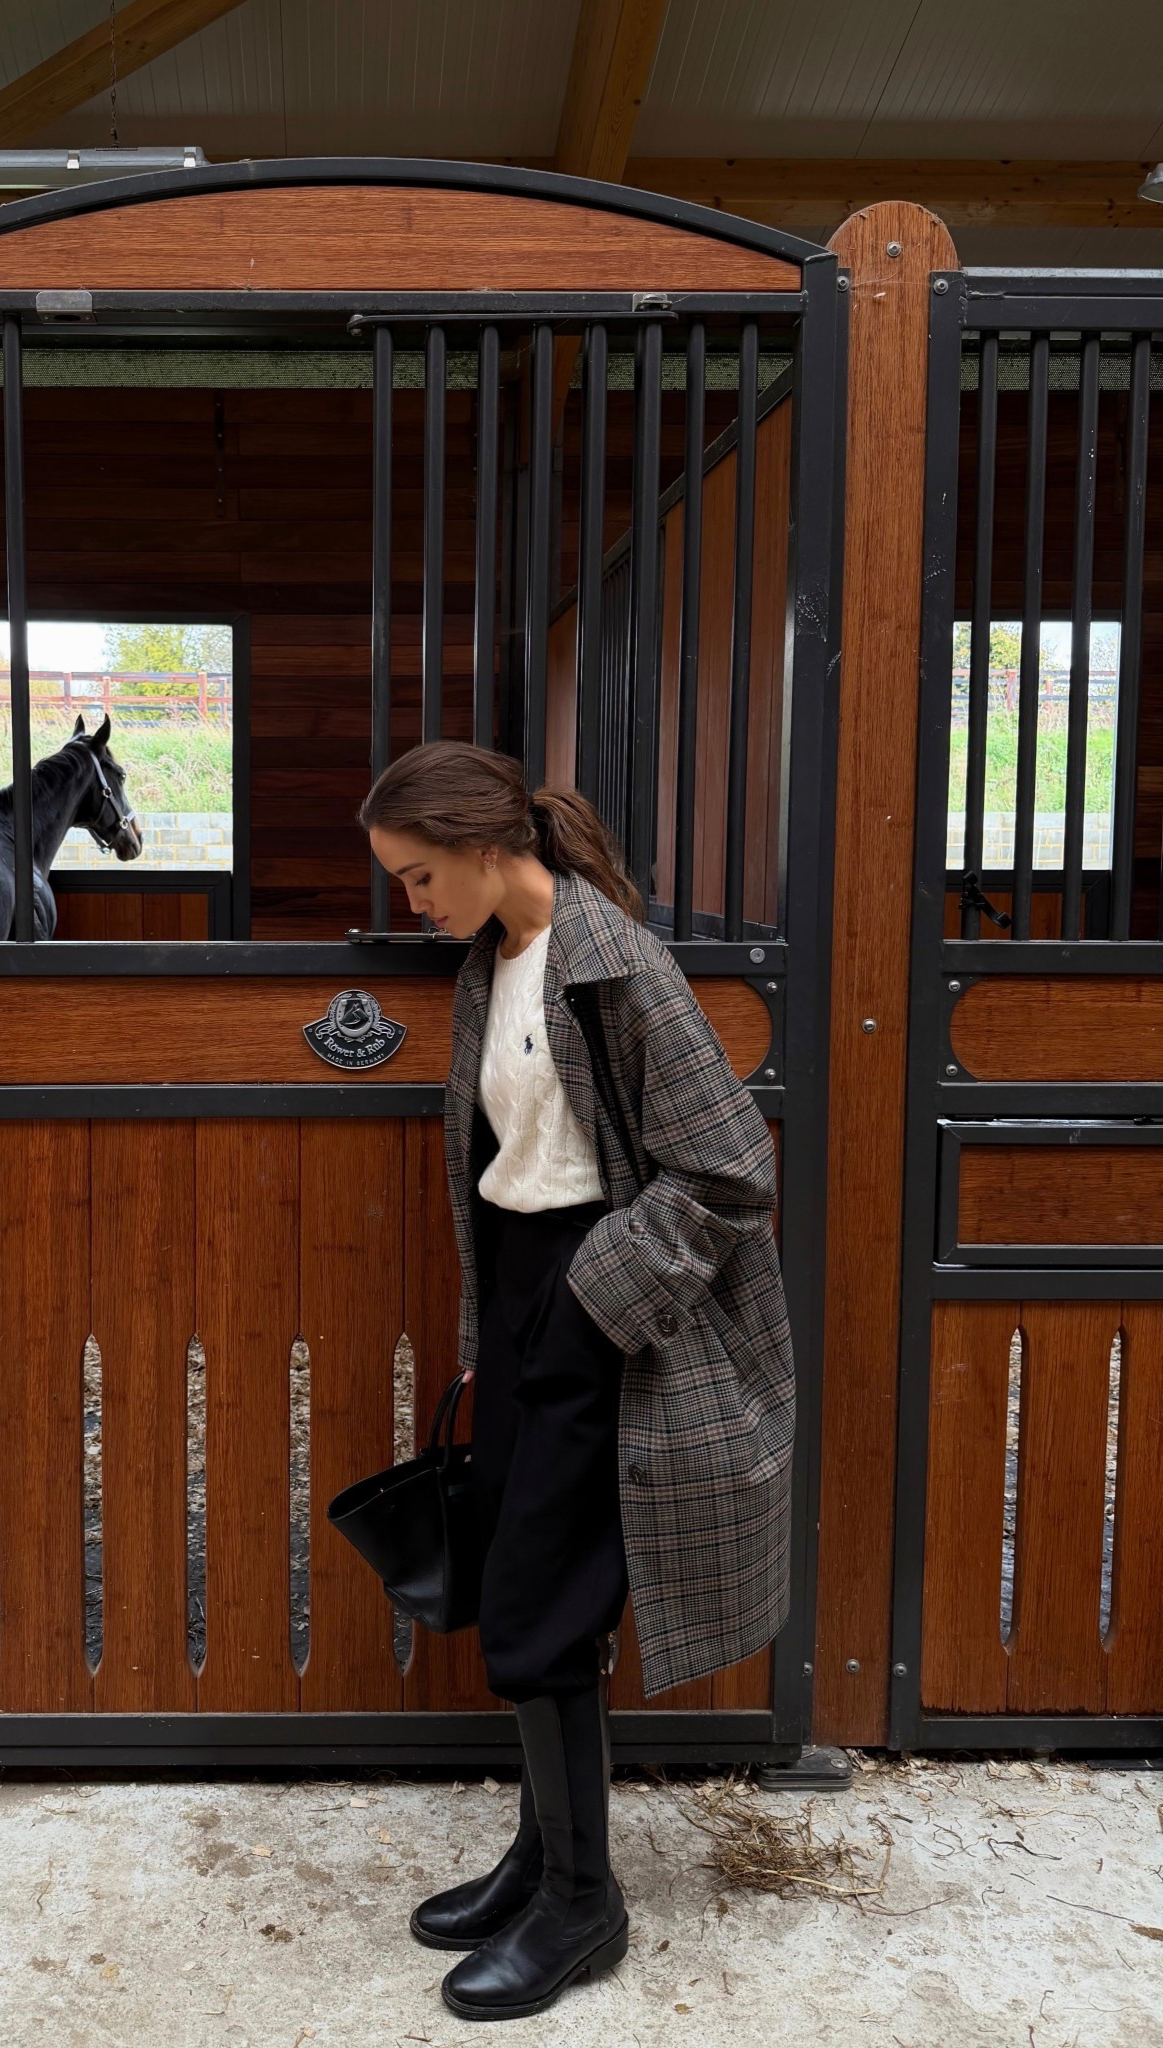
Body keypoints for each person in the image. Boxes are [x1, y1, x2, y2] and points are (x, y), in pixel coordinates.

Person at [358, 740, 795, 2024]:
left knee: (538, 1603)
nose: (413, 903)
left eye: (421, 875)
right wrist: (505, 1317)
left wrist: (591, 1303)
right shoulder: (490, 957)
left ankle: (585, 1903)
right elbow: (516, 1153)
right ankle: (547, 1854)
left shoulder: (618, 965)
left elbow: (727, 1168)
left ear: (491, 849)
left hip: (601, 1298)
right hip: (524, 1286)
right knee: (521, 1574)